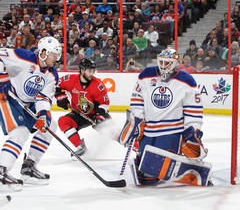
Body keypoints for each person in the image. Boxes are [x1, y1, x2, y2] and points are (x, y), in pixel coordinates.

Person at [118, 48, 212, 186]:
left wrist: (193, 131)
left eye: (167, 63)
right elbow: (137, 99)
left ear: (175, 63)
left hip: (171, 131)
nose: (163, 66)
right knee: (144, 176)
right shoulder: (146, 75)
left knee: (153, 172)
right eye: (161, 62)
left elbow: (194, 110)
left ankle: (192, 170)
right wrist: (137, 120)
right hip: (148, 131)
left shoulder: (186, 81)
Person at [0, 36, 62, 190]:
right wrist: (3, 78)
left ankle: (29, 167)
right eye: (54, 55)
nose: (56, 58)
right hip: (6, 98)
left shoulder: (52, 74)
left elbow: (43, 97)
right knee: (20, 132)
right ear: (43, 53)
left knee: (49, 126)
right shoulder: (23, 57)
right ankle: (1, 170)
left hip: (28, 103)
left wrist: (42, 114)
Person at [55, 58, 110, 157]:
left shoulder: (98, 85)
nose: (91, 73)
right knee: (63, 121)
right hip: (78, 114)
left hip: (95, 115)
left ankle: (134, 145)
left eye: (93, 71)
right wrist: (61, 98)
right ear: (82, 70)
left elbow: (104, 103)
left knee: (111, 131)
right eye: (89, 71)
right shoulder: (70, 80)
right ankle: (80, 147)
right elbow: (57, 85)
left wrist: (99, 116)